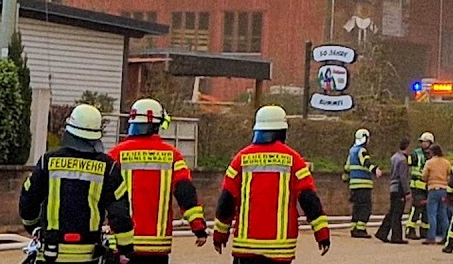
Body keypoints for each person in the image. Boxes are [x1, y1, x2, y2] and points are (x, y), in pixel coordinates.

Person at [19, 104, 135, 264]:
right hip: (90, 255)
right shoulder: (108, 167)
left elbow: (28, 199)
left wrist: (33, 227)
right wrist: (126, 250)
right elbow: (120, 214)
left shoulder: (48, 160)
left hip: (50, 255)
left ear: (69, 130)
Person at [212, 105, 330, 262]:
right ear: (282, 131)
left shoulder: (240, 159)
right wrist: (322, 234)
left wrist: (219, 235)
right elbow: (309, 200)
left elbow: (226, 200)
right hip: (280, 249)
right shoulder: (294, 160)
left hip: (246, 246)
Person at [108, 98, 207, 262]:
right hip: (157, 247)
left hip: (123, 245)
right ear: (157, 125)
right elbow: (185, 192)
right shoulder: (172, 155)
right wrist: (198, 228)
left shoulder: (115, 155)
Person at [376, 138, 412, 245]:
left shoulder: (394, 157)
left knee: (392, 211)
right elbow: (403, 177)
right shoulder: (403, 160)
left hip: (392, 187)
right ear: (407, 147)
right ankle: (396, 237)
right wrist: (407, 192)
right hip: (399, 188)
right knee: (397, 213)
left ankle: (382, 233)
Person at [344, 128, 377, 238]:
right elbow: (366, 162)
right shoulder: (362, 151)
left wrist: (345, 178)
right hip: (363, 184)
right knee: (365, 207)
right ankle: (361, 229)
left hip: (354, 184)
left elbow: (347, 167)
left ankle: (354, 228)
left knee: (357, 207)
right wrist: (375, 170)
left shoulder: (352, 151)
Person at [405, 132, 435, 239]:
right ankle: (410, 229)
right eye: (422, 142)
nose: (423, 144)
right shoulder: (415, 154)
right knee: (417, 208)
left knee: (427, 209)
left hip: (429, 186)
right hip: (417, 186)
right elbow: (407, 164)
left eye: (425, 142)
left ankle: (424, 231)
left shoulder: (433, 155)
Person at [422, 145, 453, 246]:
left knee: (432, 214)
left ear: (432, 152)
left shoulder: (429, 162)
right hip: (444, 190)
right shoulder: (446, 162)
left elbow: (424, 176)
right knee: (443, 214)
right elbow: (450, 175)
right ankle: (446, 236)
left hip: (433, 190)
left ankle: (431, 237)